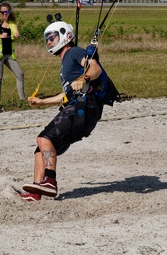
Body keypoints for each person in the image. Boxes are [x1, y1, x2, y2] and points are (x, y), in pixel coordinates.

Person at [20, 18, 116, 202]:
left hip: (83, 106)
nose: (49, 41)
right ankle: (36, 191)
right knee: (41, 149)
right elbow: (66, 93)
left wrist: (85, 77)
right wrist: (42, 102)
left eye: (52, 37)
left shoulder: (73, 52)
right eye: (47, 38)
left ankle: (50, 181)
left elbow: (95, 67)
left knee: (44, 138)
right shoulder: (65, 63)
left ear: (64, 35)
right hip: (82, 109)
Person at [0, 3, 25, 104]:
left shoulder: (12, 23)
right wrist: (0, 36)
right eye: (2, 12)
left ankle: (22, 99)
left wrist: (16, 34)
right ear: (0, 12)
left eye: (6, 12)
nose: (4, 14)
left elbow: (16, 32)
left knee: (20, 74)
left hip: (9, 55)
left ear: (9, 12)